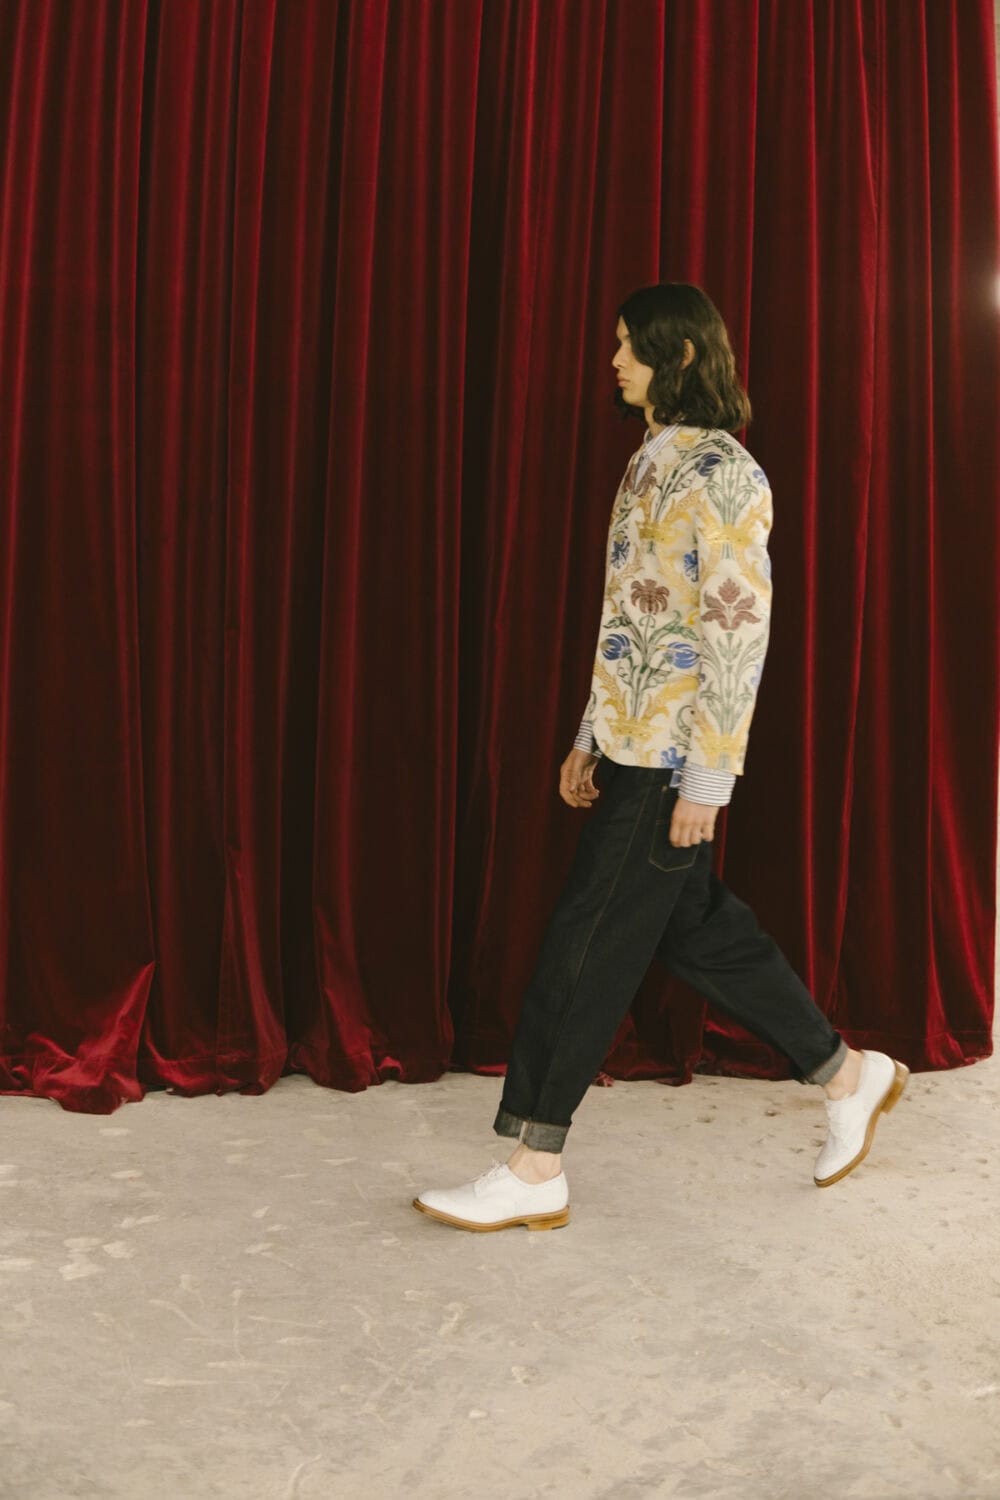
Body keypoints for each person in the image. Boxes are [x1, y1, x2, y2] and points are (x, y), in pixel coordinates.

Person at [413, 283, 908, 1233]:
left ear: (677, 356)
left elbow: (736, 630)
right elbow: (634, 616)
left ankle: (535, 1165)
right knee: (699, 931)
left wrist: (706, 779)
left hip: (673, 761)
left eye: (629, 346)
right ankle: (849, 1075)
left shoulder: (727, 474)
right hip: (630, 743)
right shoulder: (649, 459)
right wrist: (590, 733)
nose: (613, 361)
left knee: (585, 946)